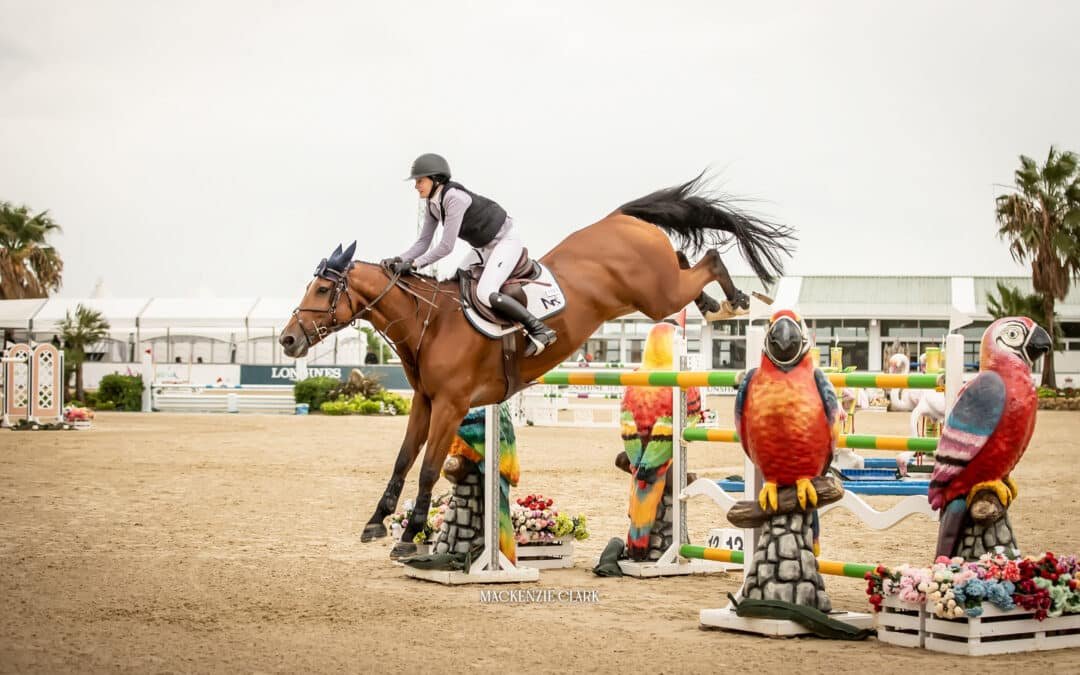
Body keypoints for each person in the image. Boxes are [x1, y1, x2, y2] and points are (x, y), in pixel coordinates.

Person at [380, 153, 556, 357]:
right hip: (484, 246)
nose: (416, 186)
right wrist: (400, 259)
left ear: (435, 179)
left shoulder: (454, 198)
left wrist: (414, 265)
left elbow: (446, 246)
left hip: (506, 241)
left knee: (485, 292)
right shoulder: (432, 204)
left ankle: (539, 329)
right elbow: (423, 242)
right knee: (458, 281)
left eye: (420, 180)